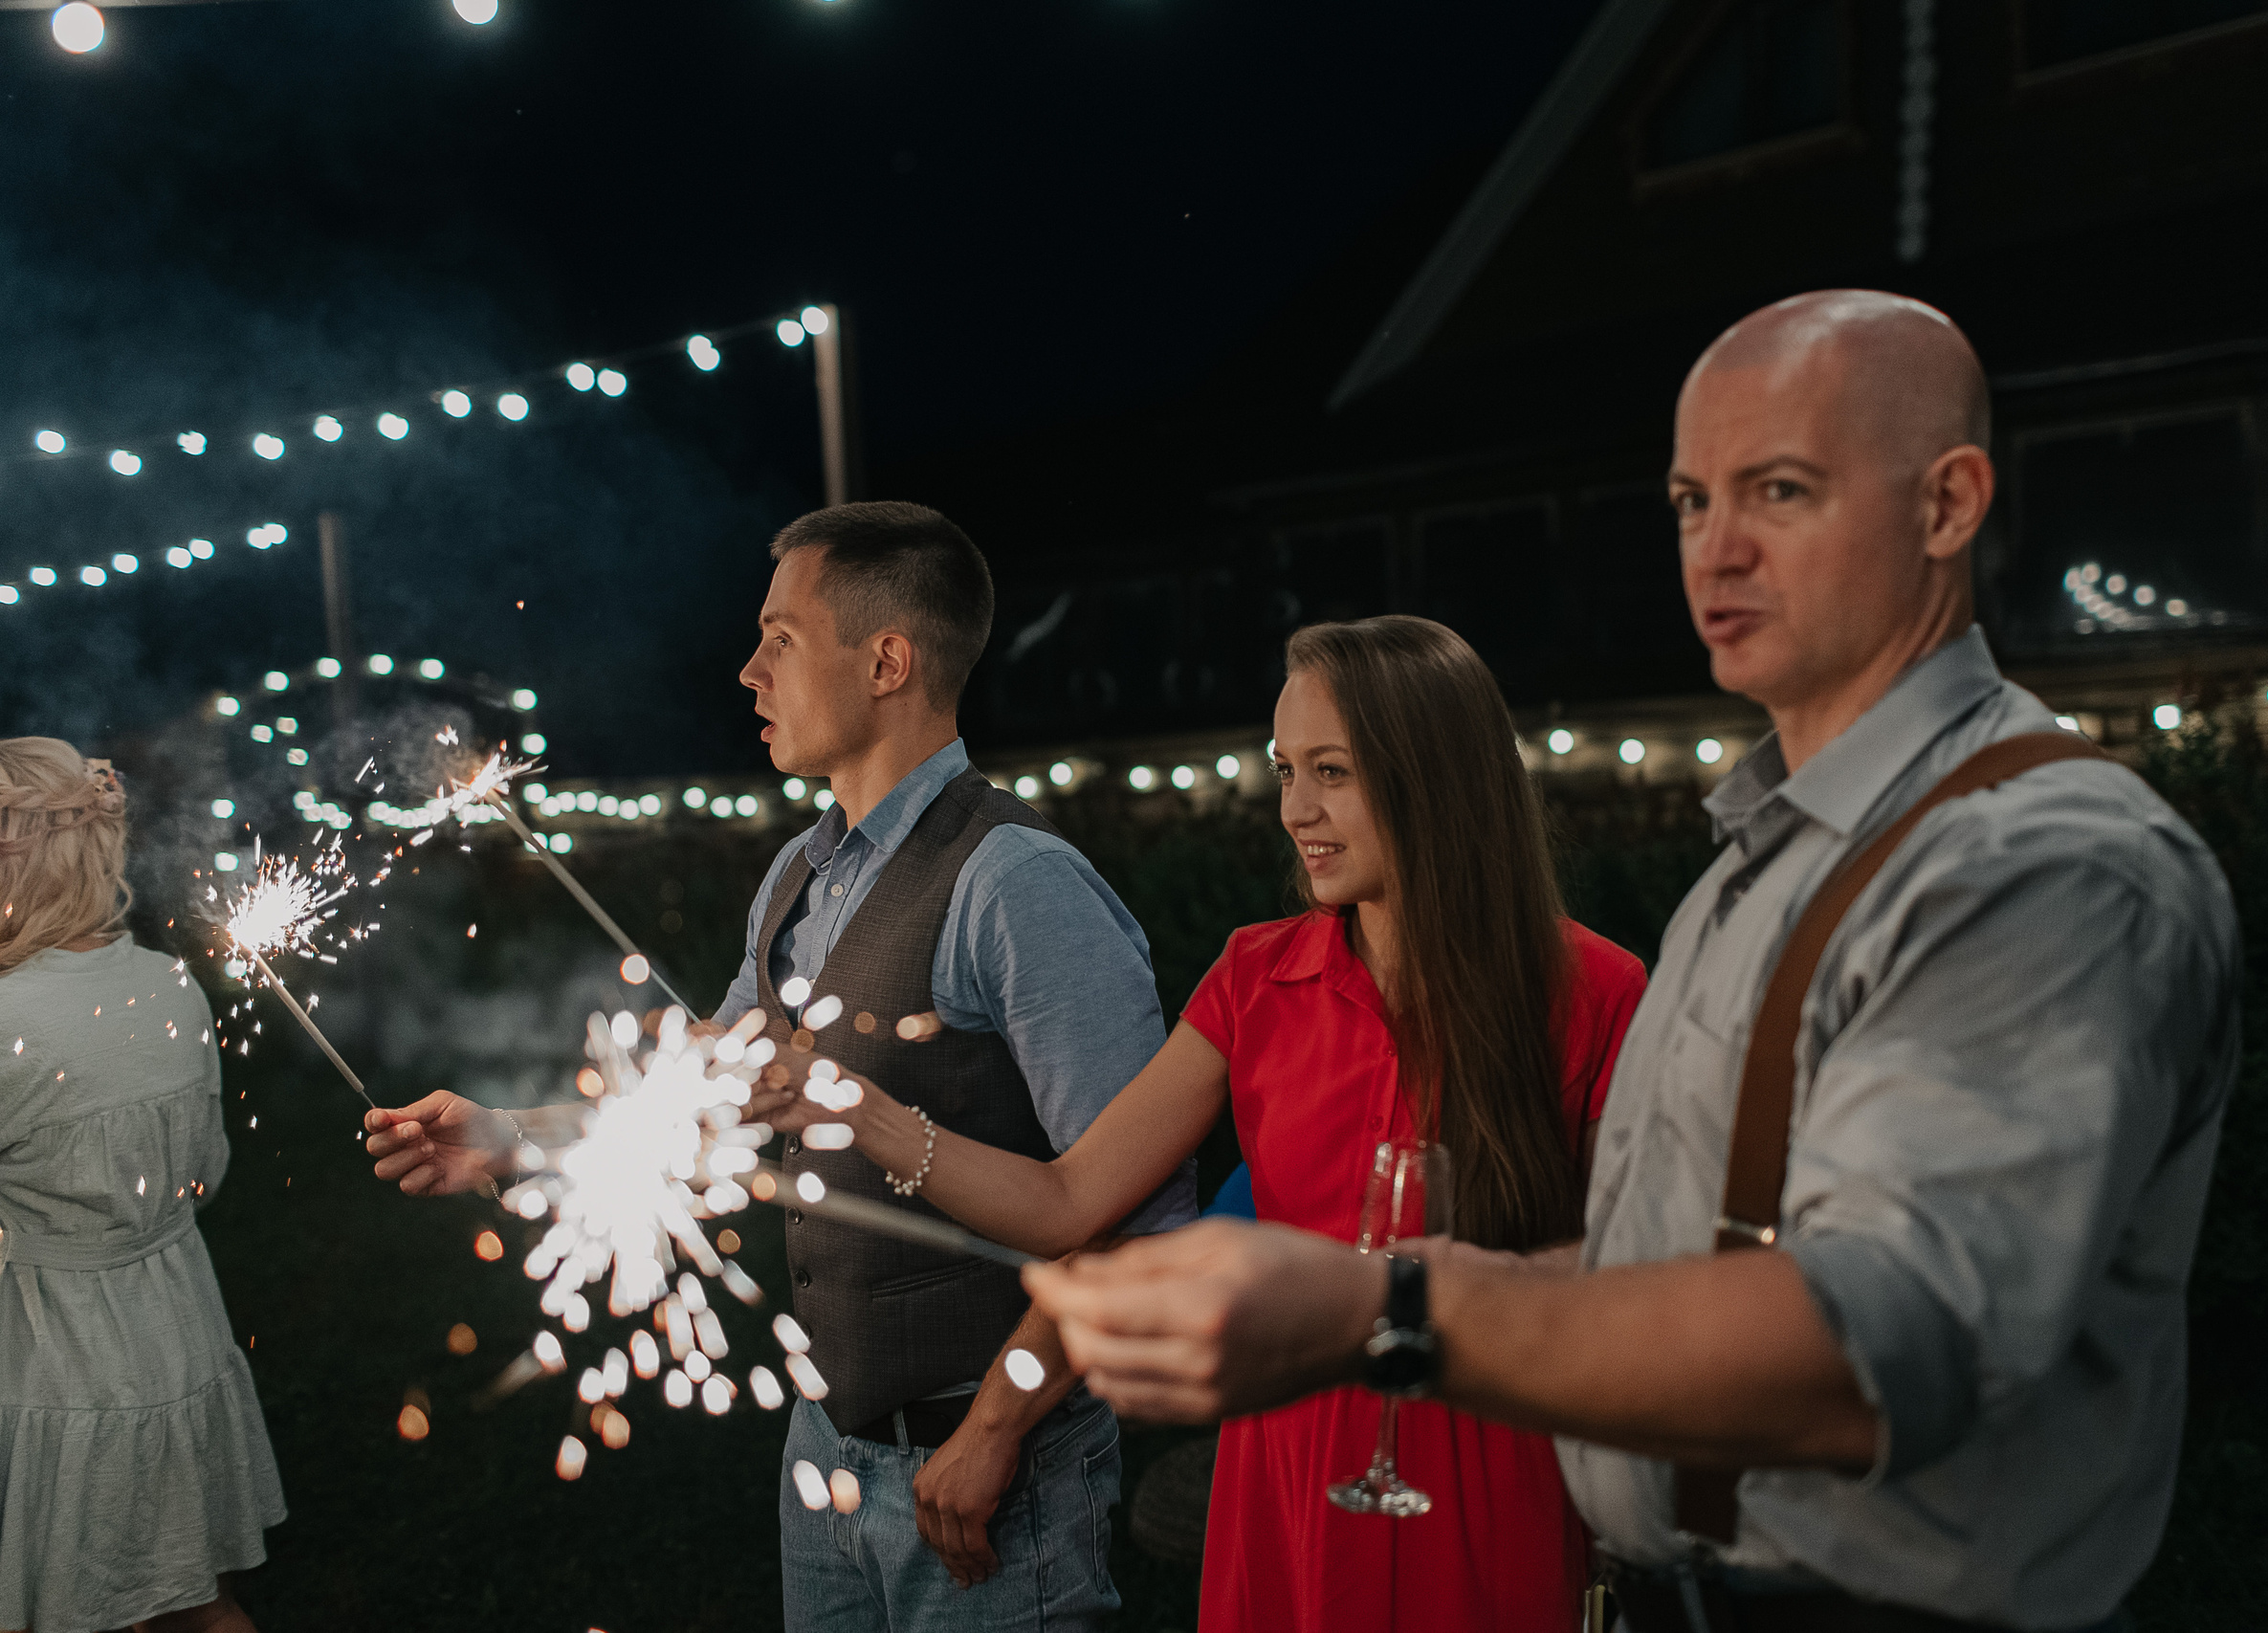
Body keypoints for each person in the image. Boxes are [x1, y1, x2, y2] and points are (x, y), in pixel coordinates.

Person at [1017, 292, 2241, 1633]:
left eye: (1780, 490)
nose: (1718, 548)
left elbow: (1884, 1345)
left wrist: (1382, 1308)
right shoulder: (1760, 871)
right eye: (1689, 501)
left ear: (1948, 505)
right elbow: (1664, 1260)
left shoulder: (2032, 861)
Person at [364, 501, 1187, 1632]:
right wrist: (510, 1136)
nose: (749, 673)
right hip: (824, 1452)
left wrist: (996, 1430)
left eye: (781, 640)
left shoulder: (1016, 883)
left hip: (996, 1467)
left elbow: (1133, 1206)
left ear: (886, 662)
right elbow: (707, 1105)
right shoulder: (799, 874)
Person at [751, 615, 1649, 1633]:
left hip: (1490, 1463)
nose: (1295, 809)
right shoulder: (1255, 977)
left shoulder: (1597, 992)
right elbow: (1070, 1199)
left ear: (1436, 778)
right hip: (1290, 1466)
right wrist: (856, 1107)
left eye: (1333, 772)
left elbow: (1639, 1270)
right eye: (1286, 771)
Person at [0, 739, 285, 1633]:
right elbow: (207, 1171)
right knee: (196, 1602)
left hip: (47, 1364)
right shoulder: (169, 982)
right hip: (176, 1333)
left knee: (53, 1601)